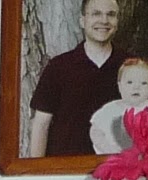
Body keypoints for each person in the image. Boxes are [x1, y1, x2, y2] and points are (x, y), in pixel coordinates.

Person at [27, 0, 122, 158]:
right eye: (96, 14)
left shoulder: (131, 65)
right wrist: (36, 170)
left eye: (111, 15)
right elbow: (41, 124)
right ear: (82, 21)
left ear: (117, 22)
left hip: (118, 167)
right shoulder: (58, 67)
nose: (104, 20)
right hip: (65, 166)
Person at [88, 57, 148, 154]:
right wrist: (107, 148)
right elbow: (95, 131)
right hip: (110, 155)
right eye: (129, 82)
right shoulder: (110, 109)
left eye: (144, 83)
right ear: (120, 86)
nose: (136, 87)